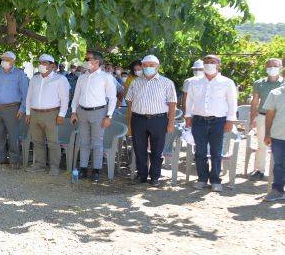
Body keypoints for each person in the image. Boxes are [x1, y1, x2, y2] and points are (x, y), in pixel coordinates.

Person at [185, 55, 238, 192]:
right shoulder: (194, 82)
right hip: (198, 120)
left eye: (212, 62)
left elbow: (232, 103)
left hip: (218, 121)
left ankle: (215, 180)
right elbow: (189, 100)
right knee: (200, 152)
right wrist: (188, 116)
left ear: (218, 65)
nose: (209, 64)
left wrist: (230, 120)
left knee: (216, 152)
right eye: (206, 62)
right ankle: (202, 179)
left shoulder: (227, 82)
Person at [125, 55, 177, 186]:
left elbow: (172, 104)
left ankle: (155, 176)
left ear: (157, 67)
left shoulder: (167, 82)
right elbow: (129, 102)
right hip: (138, 119)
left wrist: (171, 123)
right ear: (142, 66)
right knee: (139, 148)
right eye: (145, 65)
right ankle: (141, 175)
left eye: (151, 65)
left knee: (157, 150)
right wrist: (130, 122)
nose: (148, 67)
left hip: (158, 120)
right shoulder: (135, 82)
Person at [70, 50, 117, 182]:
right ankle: (83, 169)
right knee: (84, 142)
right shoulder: (82, 76)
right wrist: (73, 112)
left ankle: (96, 170)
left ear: (97, 61)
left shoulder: (106, 77)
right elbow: (76, 95)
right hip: (82, 112)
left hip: (99, 112)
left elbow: (112, 98)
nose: (85, 60)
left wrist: (109, 116)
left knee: (97, 143)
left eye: (88, 58)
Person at [24, 54, 70, 176]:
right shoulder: (35, 78)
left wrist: (61, 115)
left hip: (51, 113)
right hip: (34, 113)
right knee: (37, 141)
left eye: (44, 63)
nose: (41, 65)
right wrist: (28, 112)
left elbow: (65, 99)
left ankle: (54, 167)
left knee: (52, 142)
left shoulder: (60, 79)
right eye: (40, 62)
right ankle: (39, 165)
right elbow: (29, 96)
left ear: (52, 65)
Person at [0, 51, 29, 168]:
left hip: (12, 108)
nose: (3, 61)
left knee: (13, 135)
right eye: (3, 59)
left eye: (7, 59)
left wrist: (22, 109)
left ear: (13, 61)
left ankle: (14, 161)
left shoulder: (19, 74)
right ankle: (0, 158)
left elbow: (25, 94)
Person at [248, 58, 283, 181]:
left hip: (280, 119)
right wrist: (253, 118)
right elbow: (255, 102)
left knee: (280, 146)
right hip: (263, 117)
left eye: (275, 66)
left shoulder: (284, 84)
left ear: (281, 67)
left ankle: (277, 173)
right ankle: (259, 170)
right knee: (262, 144)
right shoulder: (259, 83)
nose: (272, 68)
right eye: (269, 66)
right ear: (265, 68)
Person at [263, 83, 285, 201]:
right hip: (279, 136)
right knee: (279, 165)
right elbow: (270, 115)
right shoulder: (275, 93)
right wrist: (267, 133)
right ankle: (278, 190)